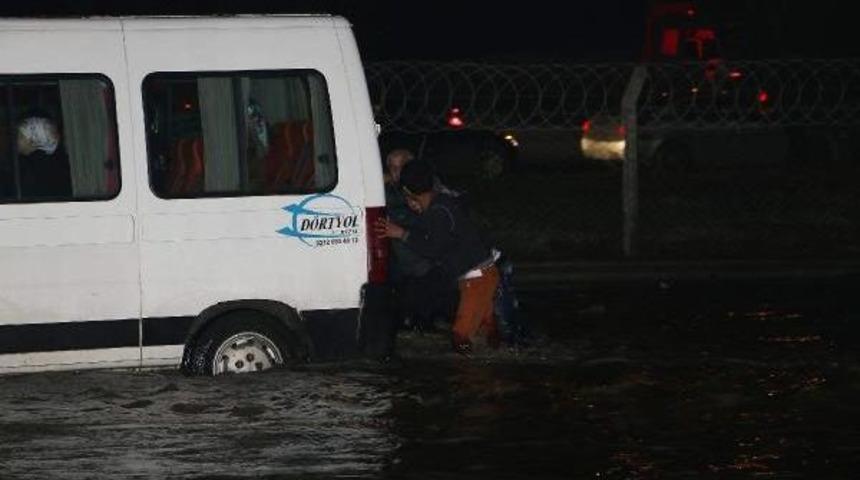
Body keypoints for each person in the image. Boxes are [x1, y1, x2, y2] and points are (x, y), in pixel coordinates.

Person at [376, 160, 499, 355]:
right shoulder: (442, 204)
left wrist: (401, 234)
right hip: (482, 275)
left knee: (460, 335)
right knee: (485, 330)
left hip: (477, 279)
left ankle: (471, 376)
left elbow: (433, 248)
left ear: (408, 192)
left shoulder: (438, 212)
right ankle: (494, 366)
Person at [16, 116, 72, 199]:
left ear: (33, 143)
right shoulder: (24, 163)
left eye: (20, 136)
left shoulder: (36, 173)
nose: (14, 138)